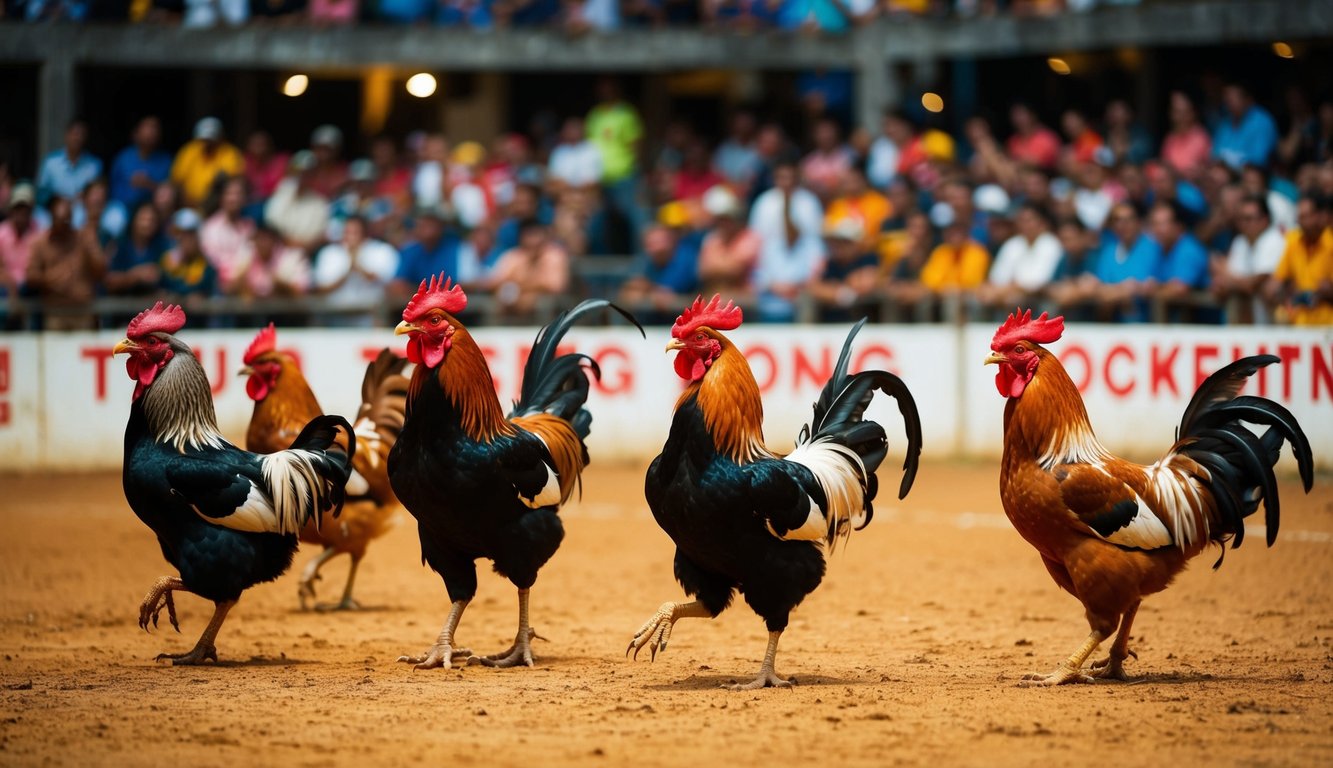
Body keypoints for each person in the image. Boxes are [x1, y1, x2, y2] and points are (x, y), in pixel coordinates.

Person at [748, 159, 823, 320]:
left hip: (803, 289)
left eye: (790, 177)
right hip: (769, 290)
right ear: (775, 178)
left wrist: (809, 282)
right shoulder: (763, 204)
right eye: (782, 177)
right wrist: (768, 283)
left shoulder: (809, 203)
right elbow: (755, 247)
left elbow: (816, 247)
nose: (786, 182)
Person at [25, 195, 107, 331]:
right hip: (55, 313)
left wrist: (92, 248)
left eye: (66, 219)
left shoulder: (84, 238)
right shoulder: (40, 243)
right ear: (51, 216)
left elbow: (101, 272)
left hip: (83, 311)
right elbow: (30, 276)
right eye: (59, 219)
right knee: (55, 352)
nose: (63, 224)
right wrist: (49, 280)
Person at [587, 77, 646, 252]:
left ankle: (640, 259)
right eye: (602, 89)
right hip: (598, 178)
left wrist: (637, 171)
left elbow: (636, 145)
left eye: (609, 88)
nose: (605, 92)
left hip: (624, 175)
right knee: (599, 221)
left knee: (634, 217)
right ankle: (601, 260)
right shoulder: (595, 115)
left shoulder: (627, 114)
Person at [312, 216, 400, 326]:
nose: (351, 237)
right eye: (348, 232)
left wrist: (358, 265)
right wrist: (348, 270)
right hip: (335, 317)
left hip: (371, 316)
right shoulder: (329, 253)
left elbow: (386, 283)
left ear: (365, 233)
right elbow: (322, 288)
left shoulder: (381, 251)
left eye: (356, 232)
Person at [1213, 195, 1286, 323]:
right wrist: (1232, 280)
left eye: (1249, 219)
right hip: (1249, 325)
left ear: (1265, 219)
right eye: (1241, 219)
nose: (1244, 224)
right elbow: (1224, 286)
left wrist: (1224, 272)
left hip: (1275, 326)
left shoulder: (1275, 240)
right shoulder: (1240, 242)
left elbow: (1251, 285)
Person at [979, 203, 1062, 309]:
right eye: (1021, 220)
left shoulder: (1051, 244)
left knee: (1014, 299)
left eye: (1029, 220)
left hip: (1040, 301)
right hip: (1006, 297)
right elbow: (998, 278)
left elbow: (1039, 282)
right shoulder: (1012, 244)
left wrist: (1007, 289)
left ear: (1043, 223)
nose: (1025, 225)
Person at [484, 218, 571, 318]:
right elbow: (494, 283)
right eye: (529, 235)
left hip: (545, 313)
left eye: (536, 234)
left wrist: (521, 286)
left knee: (534, 300)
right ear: (521, 237)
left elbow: (556, 286)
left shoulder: (555, 256)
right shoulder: (513, 256)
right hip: (511, 309)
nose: (533, 240)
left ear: (544, 236)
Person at [1267, 195, 1333, 325]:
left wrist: (1327, 292)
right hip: (1299, 325)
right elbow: (1275, 283)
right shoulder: (1293, 241)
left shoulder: (1331, 244)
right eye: (1299, 217)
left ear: (1321, 216)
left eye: (1306, 216)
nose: (1301, 222)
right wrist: (1284, 293)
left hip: (1328, 325)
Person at [619, 224, 699, 322]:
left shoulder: (686, 259)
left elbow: (669, 293)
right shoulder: (644, 262)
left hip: (687, 322)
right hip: (652, 323)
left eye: (660, 242)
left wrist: (647, 289)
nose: (657, 248)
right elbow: (630, 290)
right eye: (650, 244)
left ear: (671, 242)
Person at [808, 218, 878, 322]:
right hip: (830, 322)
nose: (837, 246)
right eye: (835, 242)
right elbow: (813, 288)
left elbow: (865, 284)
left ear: (856, 243)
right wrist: (843, 292)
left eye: (844, 242)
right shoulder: (829, 263)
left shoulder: (868, 259)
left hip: (861, 322)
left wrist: (834, 287)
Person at [696, 185, 760, 298]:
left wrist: (716, 268)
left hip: (744, 304)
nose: (722, 223)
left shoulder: (750, 238)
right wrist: (725, 266)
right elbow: (703, 271)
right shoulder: (712, 239)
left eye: (726, 218)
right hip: (716, 303)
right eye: (719, 219)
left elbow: (736, 270)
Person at [1149, 200, 1211, 313]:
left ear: (1178, 226)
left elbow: (1179, 289)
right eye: (1154, 224)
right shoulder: (1159, 250)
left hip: (1206, 326)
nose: (1158, 230)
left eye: (1163, 224)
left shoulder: (1189, 250)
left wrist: (1149, 290)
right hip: (1176, 324)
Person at [264, 151, 330, 253]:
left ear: (314, 175)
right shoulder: (282, 189)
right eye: (298, 171)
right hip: (274, 250)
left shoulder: (320, 203)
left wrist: (292, 244)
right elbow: (271, 221)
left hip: (302, 254)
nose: (302, 176)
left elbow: (313, 239)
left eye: (307, 173)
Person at [171, 117, 245, 207]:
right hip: (188, 204)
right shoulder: (189, 150)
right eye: (204, 139)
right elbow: (177, 180)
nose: (207, 142)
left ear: (220, 137)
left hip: (218, 206)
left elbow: (233, 180)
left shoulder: (229, 153)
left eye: (211, 139)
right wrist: (185, 201)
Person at [201, 176, 256, 294]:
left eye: (238, 194)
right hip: (219, 285)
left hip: (244, 283)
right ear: (221, 198)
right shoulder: (210, 227)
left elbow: (251, 257)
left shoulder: (249, 227)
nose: (234, 198)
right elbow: (212, 261)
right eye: (229, 194)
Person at [391, 205, 463, 295]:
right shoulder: (410, 251)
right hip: (416, 303)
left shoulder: (453, 248)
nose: (427, 228)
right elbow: (398, 284)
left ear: (441, 226)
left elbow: (454, 284)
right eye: (423, 223)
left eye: (432, 223)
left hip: (445, 304)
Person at [109, 116, 172, 212]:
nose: (150, 133)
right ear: (136, 134)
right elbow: (112, 186)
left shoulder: (165, 160)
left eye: (154, 129)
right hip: (123, 207)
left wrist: (149, 184)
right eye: (147, 129)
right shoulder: (124, 157)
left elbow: (169, 193)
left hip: (153, 210)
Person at [232, 224, 311, 299]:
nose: (261, 243)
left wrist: (279, 285)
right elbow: (228, 288)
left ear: (275, 240)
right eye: (258, 239)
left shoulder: (294, 258)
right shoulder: (247, 257)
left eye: (265, 239)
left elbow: (300, 293)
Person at [105, 202, 167, 297]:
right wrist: (136, 275)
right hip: (121, 306)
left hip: (150, 306)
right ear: (134, 220)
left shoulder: (161, 247)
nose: (147, 224)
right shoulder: (120, 245)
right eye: (143, 219)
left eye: (152, 220)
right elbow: (109, 281)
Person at [1212, 83, 1279, 170]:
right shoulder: (1226, 121)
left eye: (1233, 99)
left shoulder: (1262, 122)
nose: (1229, 103)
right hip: (1225, 174)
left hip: (1255, 177)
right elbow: (1215, 155)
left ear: (1248, 100)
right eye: (1227, 100)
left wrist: (1227, 166)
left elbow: (1258, 161)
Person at [36, 120, 102, 207]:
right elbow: (40, 194)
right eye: (74, 134)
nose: (77, 138)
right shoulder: (50, 162)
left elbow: (98, 194)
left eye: (81, 135)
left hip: (82, 210)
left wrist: (85, 196)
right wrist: (56, 198)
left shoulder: (94, 165)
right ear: (66, 135)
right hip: (54, 209)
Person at [158, 208, 218, 303]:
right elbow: (161, 288)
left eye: (191, 234)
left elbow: (210, 292)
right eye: (181, 234)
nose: (186, 239)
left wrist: (202, 297)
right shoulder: (166, 261)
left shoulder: (206, 266)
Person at [0, 183, 43, 297]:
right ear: (11, 210)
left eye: (25, 209)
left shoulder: (39, 233)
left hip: (30, 286)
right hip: (5, 288)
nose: (21, 213)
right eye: (18, 208)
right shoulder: (1, 233)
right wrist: (11, 284)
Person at [1161, 91, 1212, 180]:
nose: (1177, 117)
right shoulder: (1170, 138)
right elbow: (1164, 165)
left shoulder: (1201, 138)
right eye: (1175, 112)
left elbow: (1204, 171)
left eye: (1181, 112)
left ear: (1192, 113)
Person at [1006, 103, 1061, 171]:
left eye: (1021, 115)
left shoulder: (1046, 136)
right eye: (1015, 116)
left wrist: (1023, 162)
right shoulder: (1012, 142)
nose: (1019, 120)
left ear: (1032, 115)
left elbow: (1047, 162)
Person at [243, 130, 289, 203]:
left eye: (261, 144)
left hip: (275, 201)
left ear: (269, 146)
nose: (258, 148)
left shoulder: (281, 162)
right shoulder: (245, 162)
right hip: (251, 203)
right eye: (254, 144)